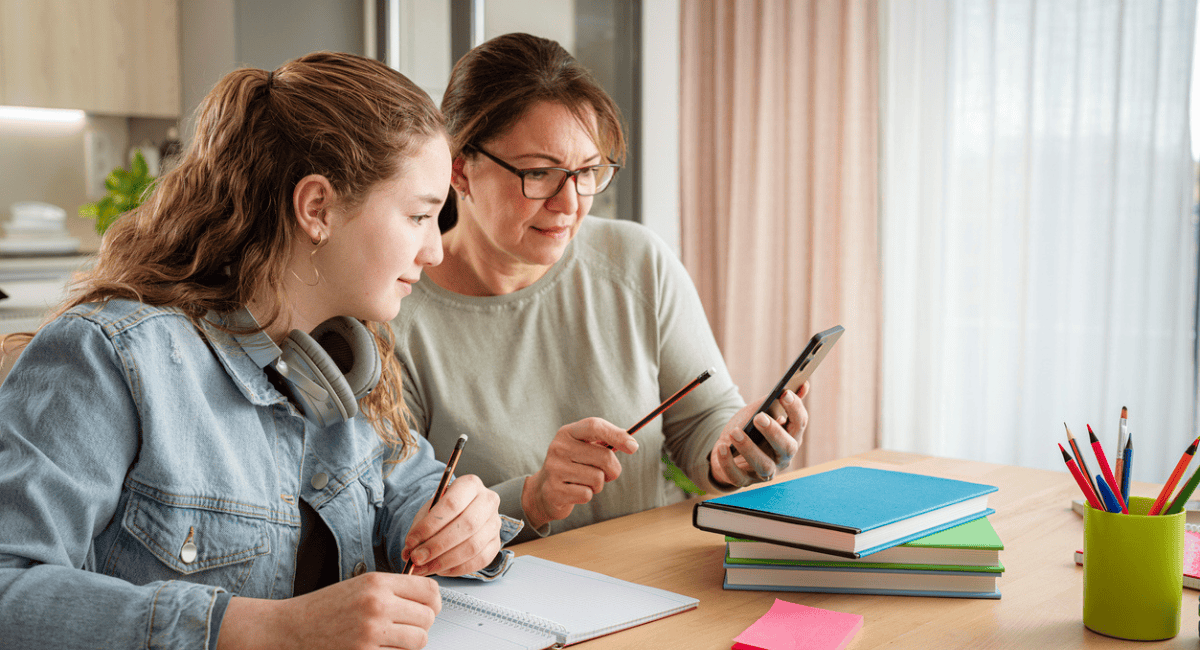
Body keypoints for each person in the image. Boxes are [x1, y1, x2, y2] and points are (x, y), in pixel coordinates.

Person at [0, 52, 517, 650]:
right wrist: (264, 629)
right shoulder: (110, 358)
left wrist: (460, 522)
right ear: (317, 208)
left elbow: (410, 493)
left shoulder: (344, 359)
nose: (435, 250)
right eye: (419, 215)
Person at [392, 33, 809, 544]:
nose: (570, 203)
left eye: (587, 171)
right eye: (540, 173)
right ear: (461, 169)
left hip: (652, 583)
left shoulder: (636, 261)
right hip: (502, 609)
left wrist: (733, 453)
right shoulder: (397, 314)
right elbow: (401, 528)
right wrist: (533, 498)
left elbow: (703, 425)